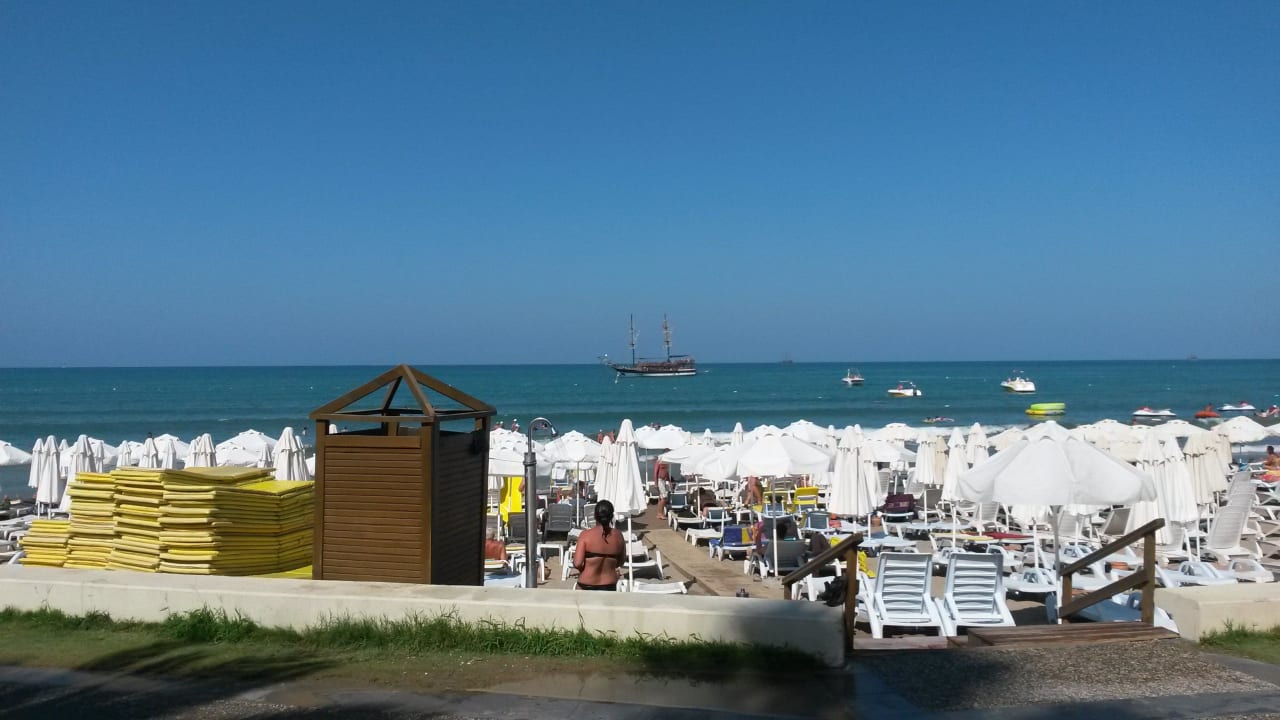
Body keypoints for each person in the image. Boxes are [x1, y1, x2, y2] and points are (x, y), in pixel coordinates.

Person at [573, 499, 626, 590]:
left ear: (595, 516)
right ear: (611, 516)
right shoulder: (618, 535)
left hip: (587, 585)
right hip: (609, 585)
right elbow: (621, 562)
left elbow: (577, 563)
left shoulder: (585, 535)